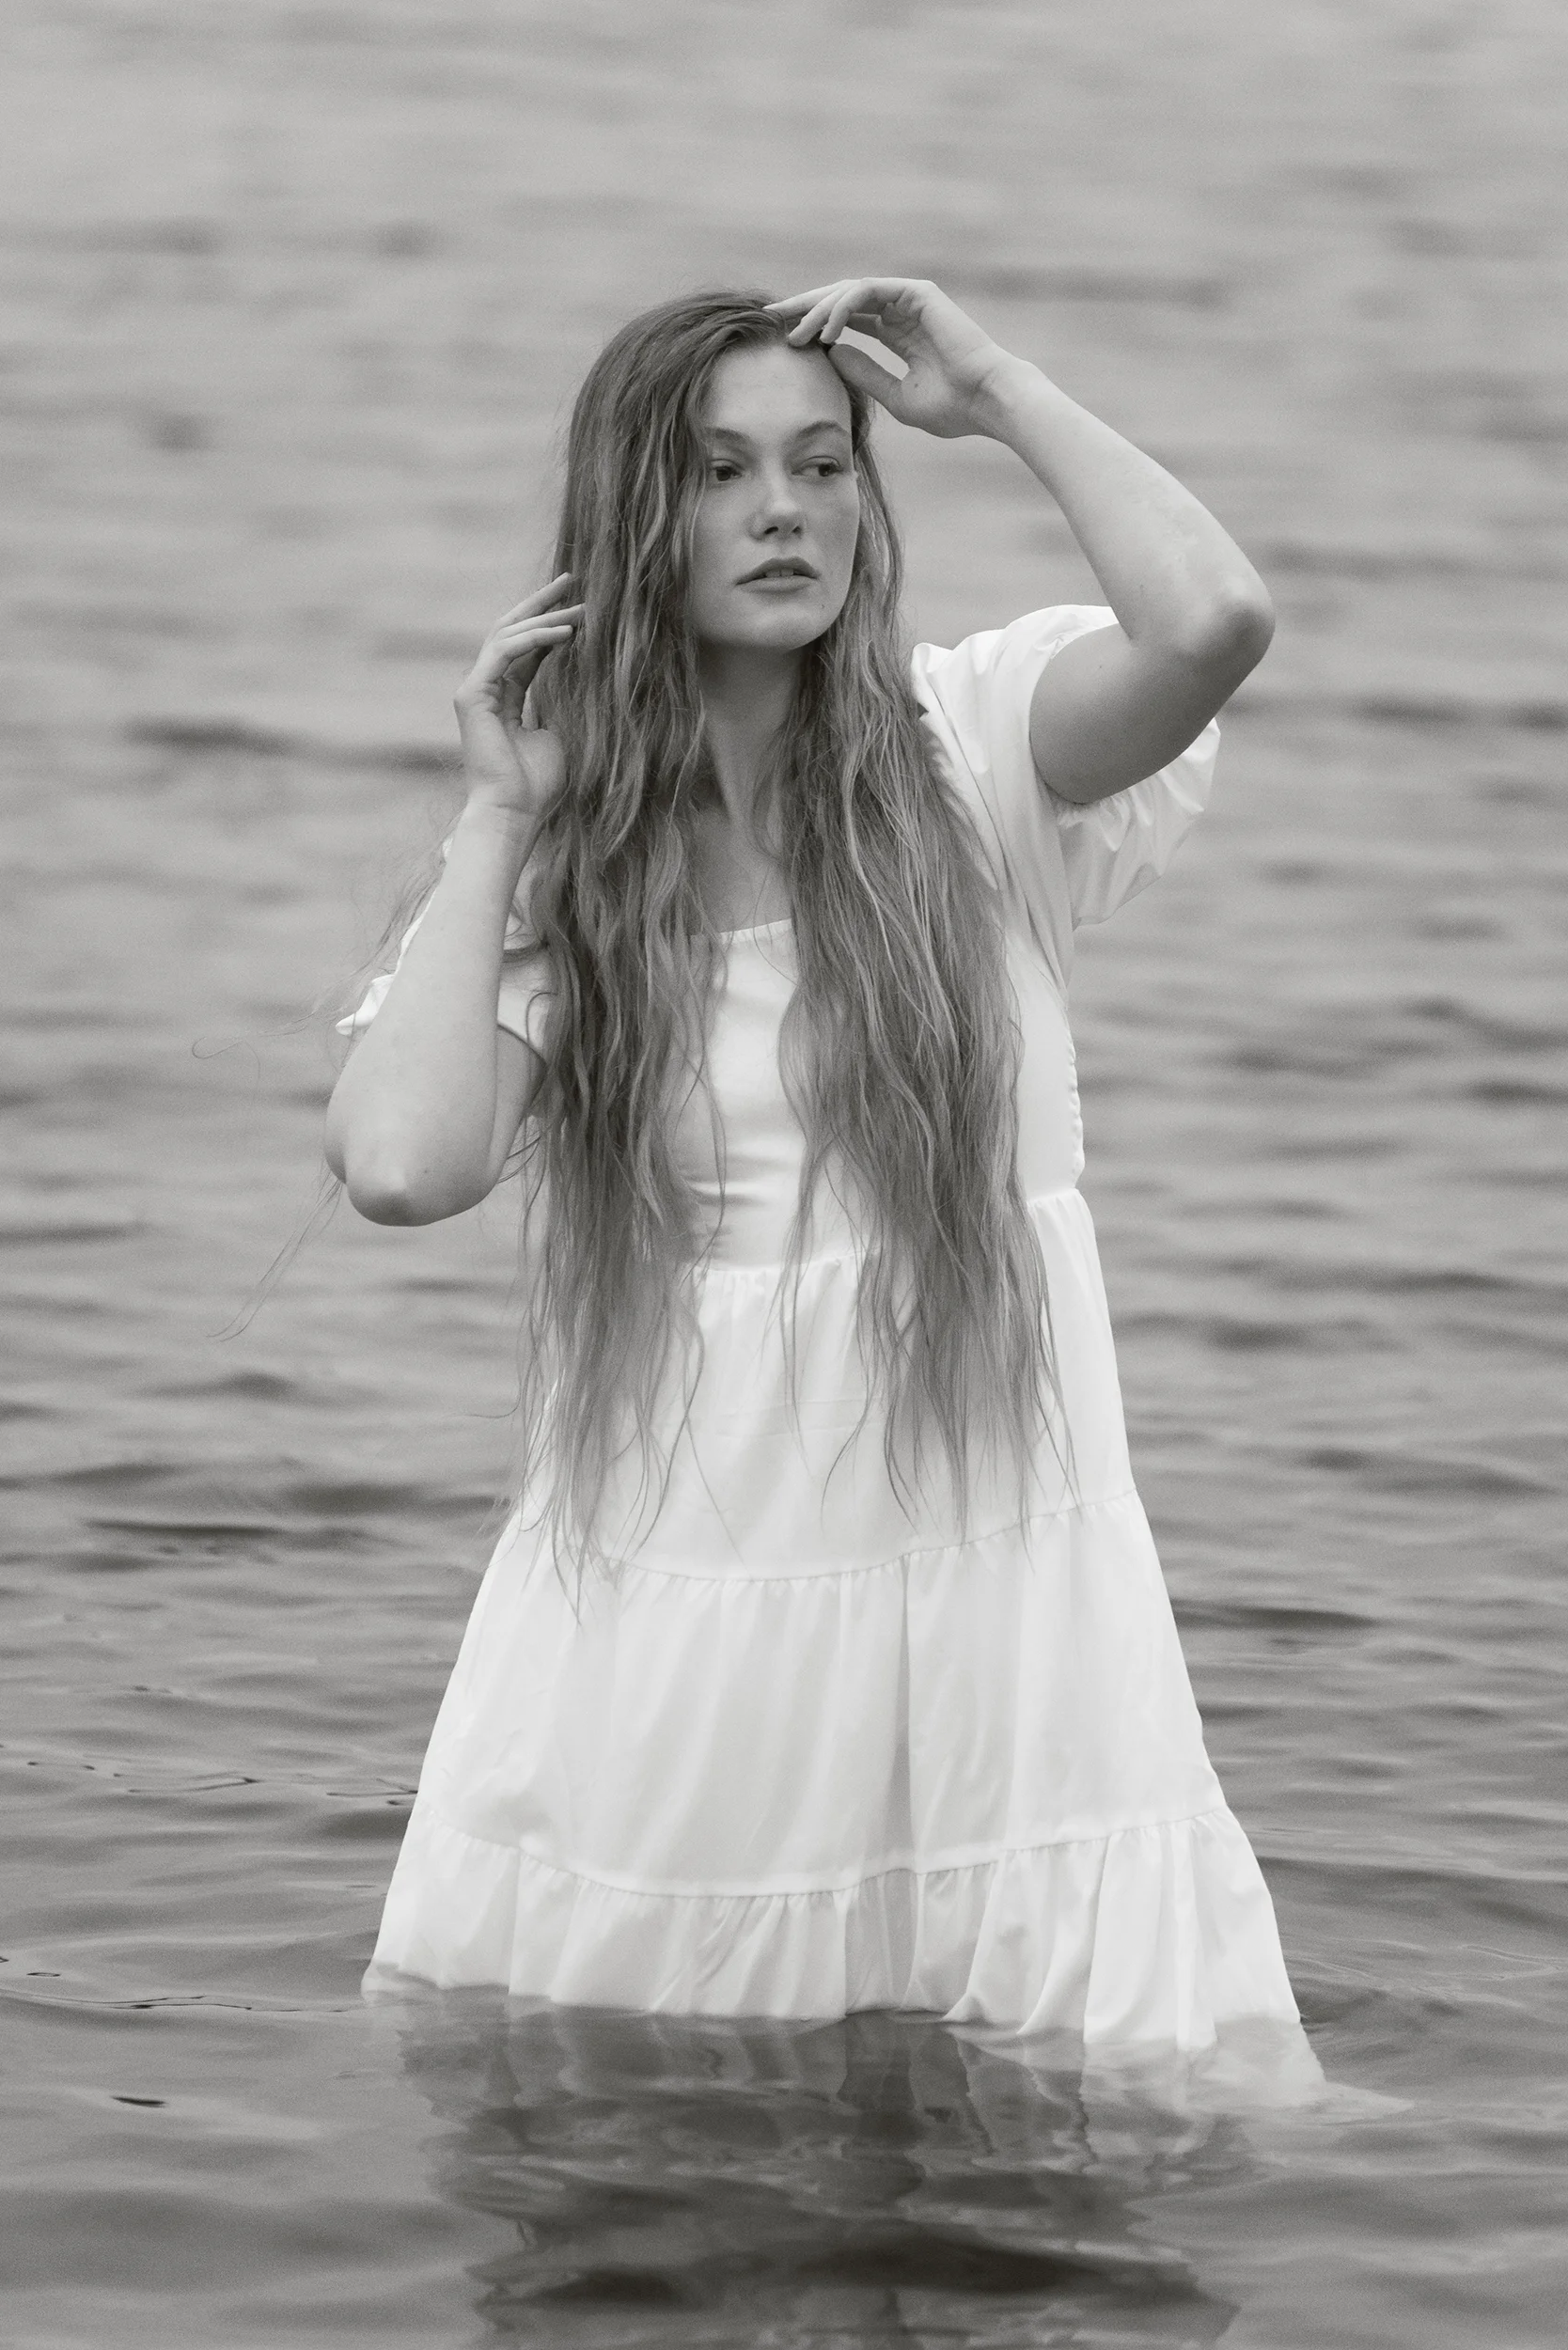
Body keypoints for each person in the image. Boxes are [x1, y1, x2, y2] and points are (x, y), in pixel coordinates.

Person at [327, 276, 1302, 2051]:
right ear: (636, 521)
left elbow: (1215, 618)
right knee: (671, 2122)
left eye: (823, 463)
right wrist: (498, 813)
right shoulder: (577, 867)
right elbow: (400, 1165)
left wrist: (995, 390)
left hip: (1001, 1582)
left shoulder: (975, 747)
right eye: (719, 472)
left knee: (1143, 2098)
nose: (783, 509)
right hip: (692, 1607)